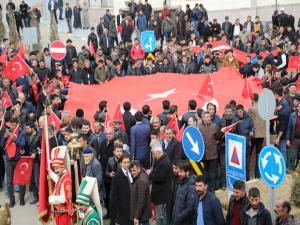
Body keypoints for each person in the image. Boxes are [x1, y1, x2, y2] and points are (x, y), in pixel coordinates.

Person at [1, 117, 26, 207]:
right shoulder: (6, 132)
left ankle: (22, 199)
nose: (11, 126)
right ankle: (12, 200)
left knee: (20, 180)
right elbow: (1, 145)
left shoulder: (21, 132)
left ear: (17, 123)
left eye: (13, 125)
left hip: (18, 159)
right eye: (10, 125)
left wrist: (13, 138)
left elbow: (23, 144)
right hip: (9, 160)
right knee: (9, 181)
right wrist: (4, 138)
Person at [48, 147, 74, 225]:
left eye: (57, 168)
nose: (56, 171)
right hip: (60, 211)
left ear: (63, 166)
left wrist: (51, 199)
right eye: (54, 168)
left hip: (64, 213)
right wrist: (49, 171)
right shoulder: (62, 175)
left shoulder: (66, 179)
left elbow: (64, 198)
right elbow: (58, 180)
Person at [149, 141, 172, 225]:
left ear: (158, 152)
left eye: (154, 153)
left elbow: (159, 178)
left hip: (162, 197)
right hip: (159, 196)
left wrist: (151, 175)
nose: (153, 156)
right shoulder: (160, 159)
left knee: (161, 218)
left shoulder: (164, 162)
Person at [199, 111, 220, 191]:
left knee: (213, 174)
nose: (209, 118)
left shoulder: (215, 126)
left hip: (213, 155)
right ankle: (206, 189)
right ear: (203, 118)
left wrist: (221, 132)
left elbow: (218, 137)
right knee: (205, 174)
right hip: (203, 156)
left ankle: (213, 189)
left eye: (210, 117)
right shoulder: (199, 127)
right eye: (207, 117)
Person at [172, 160, 197, 225]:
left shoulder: (191, 186)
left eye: (181, 172)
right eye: (179, 171)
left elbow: (190, 208)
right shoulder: (182, 182)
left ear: (188, 172)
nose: (179, 174)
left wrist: (178, 218)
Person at [110, 152, 132, 225]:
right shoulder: (117, 178)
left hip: (132, 207)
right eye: (124, 162)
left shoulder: (132, 173)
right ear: (121, 163)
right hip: (123, 210)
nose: (126, 164)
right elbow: (114, 196)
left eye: (128, 162)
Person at [248, 93, 265, 178]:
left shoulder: (251, 109)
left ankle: (248, 174)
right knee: (259, 154)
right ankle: (258, 174)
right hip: (262, 134)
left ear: (252, 99)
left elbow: (249, 121)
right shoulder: (263, 108)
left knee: (248, 154)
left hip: (253, 135)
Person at [129, 160, 152, 225]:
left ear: (139, 169)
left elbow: (141, 201)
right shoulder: (140, 176)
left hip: (142, 216)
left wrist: (136, 217)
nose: (132, 173)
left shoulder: (141, 180)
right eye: (131, 170)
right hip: (142, 215)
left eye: (134, 170)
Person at [236, 104, 255, 180]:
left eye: (240, 112)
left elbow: (252, 126)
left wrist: (252, 131)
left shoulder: (248, 118)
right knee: (239, 162)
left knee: (247, 161)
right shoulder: (235, 119)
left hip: (246, 143)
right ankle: (239, 177)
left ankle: (246, 177)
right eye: (238, 112)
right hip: (238, 144)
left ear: (243, 111)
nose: (239, 113)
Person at [24, 122, 41, 205]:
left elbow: (42, 149)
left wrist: (36, 154)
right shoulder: (27, 136)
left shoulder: (39, 136)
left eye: (27, 128)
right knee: (32, 181)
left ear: (32, 128)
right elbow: (27, 147)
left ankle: (42, 198)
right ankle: (36, 197)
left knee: (37, 180)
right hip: (29, 161)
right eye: (25, 129)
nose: (26, 130)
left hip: (36, 161)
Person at [286, 101, 300, 171]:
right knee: (292, 156)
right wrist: (288, 139)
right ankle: (291, 171)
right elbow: (289, 128)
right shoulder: (292, 115)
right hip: (294, 139)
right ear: (297, 107)